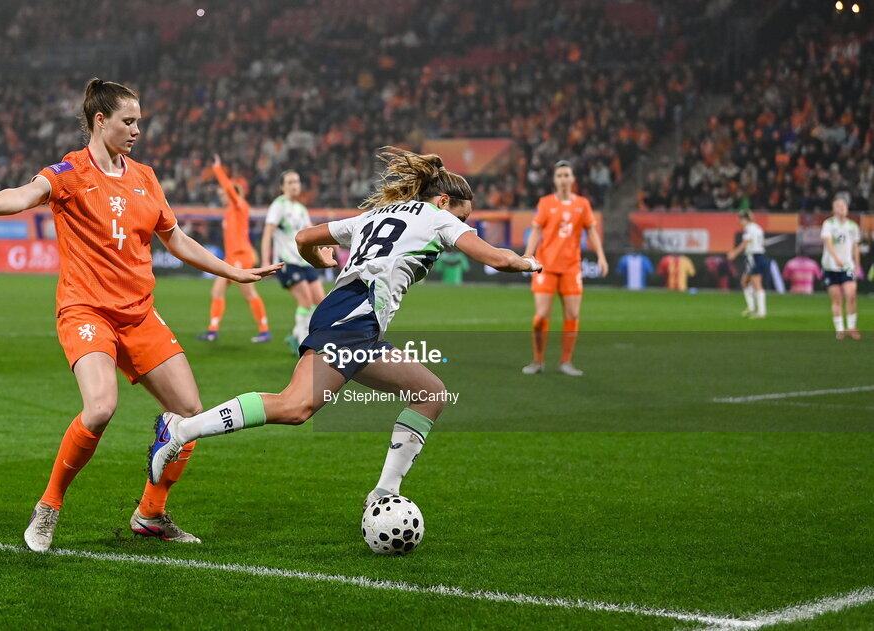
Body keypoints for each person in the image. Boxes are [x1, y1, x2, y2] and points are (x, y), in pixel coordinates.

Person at [0, 78, 281, 552]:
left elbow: (178, 240)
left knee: (190, 412)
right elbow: (22, 195)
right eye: (128, 121)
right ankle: (48, 507)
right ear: (100, 120)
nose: (136, 130)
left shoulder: (145, 176)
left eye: (139, 122)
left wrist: (233, 271)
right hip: (86, 310)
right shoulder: (68, 171)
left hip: (139, 315)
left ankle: (151, 514)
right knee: (101, 407)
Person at [147, 147, 541, 509]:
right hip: (351, 317)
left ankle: (384, 493)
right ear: (442, 201)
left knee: (429, 392)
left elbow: (304, 238)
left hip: (354, 319)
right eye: (463, 217)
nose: (463, 225)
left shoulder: (377, 214)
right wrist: (526, 262)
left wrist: (317, 259)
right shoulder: (438, 217)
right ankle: (181, 430)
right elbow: (496, 258)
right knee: (295, 406)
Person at [522, 160, 608, 377]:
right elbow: (536, 231)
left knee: (572, 314)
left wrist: (601, 256)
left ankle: (566, 362)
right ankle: (538, 360)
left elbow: (592, 232)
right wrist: (527, 255)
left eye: (566, 175)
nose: (563, 179)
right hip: (546, 267)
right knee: (541, 316)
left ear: (573, 179)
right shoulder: (545, 203)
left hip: (571, 268)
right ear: (554, 180)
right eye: (559, 175)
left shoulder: (583, 204)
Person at [197, 154, 271, 343]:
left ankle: (264, 330)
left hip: (241, 257)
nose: (221, 196)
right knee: (216, 291)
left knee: (248, 293)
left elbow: (229, 189)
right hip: (231, 258)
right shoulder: (230, 211)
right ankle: (212, 330)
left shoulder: (240, 206)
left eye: (223, 194)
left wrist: (217, 169)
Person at [261, 170, 324, 352]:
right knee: (305, 302)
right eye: (289, 182)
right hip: (287, 262)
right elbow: (268, 233)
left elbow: (310, 233)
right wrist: (266, 260)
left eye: (296, 181)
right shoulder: (278, 205)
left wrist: (328, 243)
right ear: (282, 187)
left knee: (320, 302)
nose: (294, 185)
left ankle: (296, 334)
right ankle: (303, 343)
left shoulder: (301, 209)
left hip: (305, 261)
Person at [821, 196, 861, 339]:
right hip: (830, 266)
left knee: (851, 295)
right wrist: (836, 258)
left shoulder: (853, 226)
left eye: (843, 205)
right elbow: (828, 242)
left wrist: (857, 264)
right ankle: (840, 328)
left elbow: (855, 246)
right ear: (833, 209)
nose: (841, 207)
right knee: (837, 298)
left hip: (847, 266)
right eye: (838, 205)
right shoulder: (828, 224)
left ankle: (851, 327)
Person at [726, 210, 768, 318]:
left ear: (744, 219)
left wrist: (734, 253)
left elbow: (746, 242)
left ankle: (761, 312)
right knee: (745, 281)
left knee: (756, 283)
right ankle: (751, 308)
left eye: (739, 220)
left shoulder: (748, 229)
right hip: (758, 255)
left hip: (754, 256)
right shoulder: (758, 228)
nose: (738, 222)